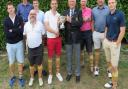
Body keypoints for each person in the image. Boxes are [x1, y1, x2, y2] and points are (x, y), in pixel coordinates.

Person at [103, 0, 126, 88]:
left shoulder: (120, 14)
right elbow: (106, 27)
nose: (111, 4)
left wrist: (117, 43)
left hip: (114, 43)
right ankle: (111, 79)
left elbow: (122, 31)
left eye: (113, 2)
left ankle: (114, 85)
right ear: (108, 4)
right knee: (108, 62)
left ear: (116, 3)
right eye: (109, 3)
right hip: (107, 42)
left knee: (114, 66)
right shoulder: (107, 15)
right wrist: (105, 38)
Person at [3, 1, 25, 87]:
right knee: (11, 62)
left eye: (11, 8)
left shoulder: (19, 18)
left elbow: (21, 31)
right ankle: (12, 77)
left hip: (19, 43)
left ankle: (20, 77)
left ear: (14, 8)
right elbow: (7, 34)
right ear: (7, 10)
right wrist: (17, 29)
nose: (10, 9)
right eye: (9, 8)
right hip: (10, 45)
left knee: (20, 62)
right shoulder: (5, 21)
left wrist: (12, 30)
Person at [23, 10, 45, 86]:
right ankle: (32, 78)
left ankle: (39, 78)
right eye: (31, 14)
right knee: (31, 65)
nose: (32, 15)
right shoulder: (26, 25)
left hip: (39, 47)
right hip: (30, 48)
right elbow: (25, 36)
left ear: (36, 15)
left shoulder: (40, 24)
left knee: (39, 64)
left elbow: (43, 35)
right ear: (29, 15)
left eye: (34, 14)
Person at [63, 0, 83, 83]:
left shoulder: (79, 11)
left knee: (77, 56)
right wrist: (61, 22)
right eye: (70, 1)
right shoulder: (65, 12)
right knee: (68, 56)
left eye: (73, 1)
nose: (71, 3)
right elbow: (63, 25)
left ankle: (77, 74)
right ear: (68, 3)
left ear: (75, 3)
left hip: (77, 37)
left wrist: (71, 21)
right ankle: (69, 73)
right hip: (68, 37)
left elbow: (80, 23)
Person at [44, 0, 63, 84]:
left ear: (57, 5)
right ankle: (50, 74)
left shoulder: (59, 15)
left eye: (55, 3)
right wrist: (55, 32)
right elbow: (47, 27)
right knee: (50, 57)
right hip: (50, 38)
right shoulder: (47, 14)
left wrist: (61, 23)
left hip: (58, 38)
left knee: (58, 56)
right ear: (50, 5)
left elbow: (60, 27)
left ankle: (58, 73)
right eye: (53, 4)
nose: (54, 5)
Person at [92, 0, 110, 76]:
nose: (100, 1)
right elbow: (92, 21)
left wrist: (107, 32)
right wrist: (93, 32)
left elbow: (110, 21)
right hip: (96, 33)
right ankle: (96, 67)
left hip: (106, 34)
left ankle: (109, 69)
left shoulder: (108, 9)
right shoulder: (94, 10)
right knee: (97, 51)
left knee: (108, 52)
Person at [80, 0, 94, 72]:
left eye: (84, 1)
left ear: (86, 2)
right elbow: (76, 20)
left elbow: (92, 20)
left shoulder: (90, 10)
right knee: (81, 49)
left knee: (90, 50)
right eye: (82, 1)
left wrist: (89, 19)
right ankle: (82, 62)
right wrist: (83, 19)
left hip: (88, 32)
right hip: (80, 32)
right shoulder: (78, 11)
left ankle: (91, 66)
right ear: (80, 2)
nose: (83, 2)